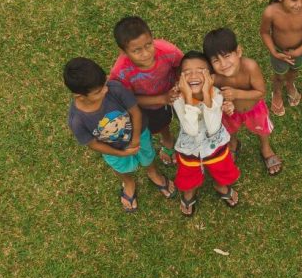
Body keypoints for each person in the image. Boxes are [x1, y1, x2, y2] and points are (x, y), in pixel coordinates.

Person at [63, 57, 176, 212]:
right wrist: (120, 153)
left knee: (148, 155)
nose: (105, 90)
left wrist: (135, 140)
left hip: (139, 134)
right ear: (79, 96)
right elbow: (93, 144)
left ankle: (153, 172)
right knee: (121, 167)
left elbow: (135, 113)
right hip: (113, 149)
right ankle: (128, 182)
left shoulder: (115, 89)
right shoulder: (77, 120)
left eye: (104, 84)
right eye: (98, 91)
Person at [203, 28, 283, 176]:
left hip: (254, 109)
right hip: (230, 113)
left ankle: (265, 148)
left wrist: (237, 94)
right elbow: (212, 97)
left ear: (239, 51)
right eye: (216, 60)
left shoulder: (250, 67)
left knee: (262, 130)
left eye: (227, 56)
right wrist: (224, 103)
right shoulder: (215, 78)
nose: (223, 64)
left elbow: (261, 93)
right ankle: (233, 143)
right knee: (230, 130)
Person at [170, 51, 241, 216]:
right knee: (188, 172)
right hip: (189, 149)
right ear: (180, 78)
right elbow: (191, 130)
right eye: (187, 72)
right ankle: (190, 190)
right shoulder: (178, 98)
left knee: (221, 167)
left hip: (216, 146)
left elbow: (213, 128)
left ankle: (220, 184)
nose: (193, 75)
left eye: (200, 71)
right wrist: (188, 97)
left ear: (210, 76)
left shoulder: (216, 94)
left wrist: (207, 96)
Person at [108, 16, 183, 166]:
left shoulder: (168, 51)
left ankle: (188, 141)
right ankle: (167, 140)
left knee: (187, 119)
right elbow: (127, 100)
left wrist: (180, 83)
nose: (146, 53)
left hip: (177, 94)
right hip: (149, 106)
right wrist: (162, 99)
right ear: (123, 51)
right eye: (137, 50)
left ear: (152, 37)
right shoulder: (120, 73)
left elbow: (182, 66)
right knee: (161, 124)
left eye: (148, 45)